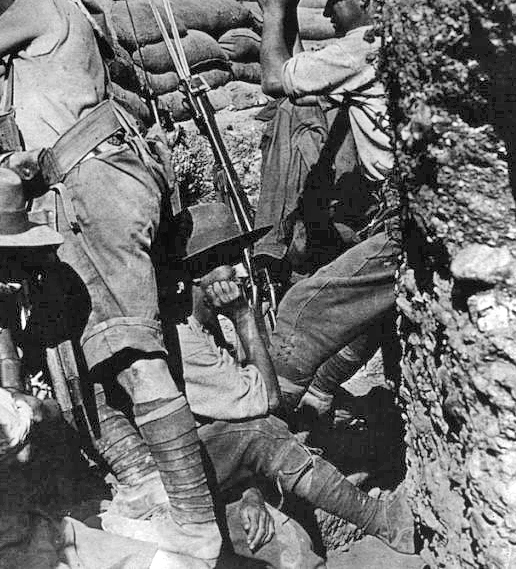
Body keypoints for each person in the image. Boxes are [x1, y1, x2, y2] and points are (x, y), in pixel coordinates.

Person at [0, 0, 221, 564]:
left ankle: (197, 523)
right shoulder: (70, 14)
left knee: (129, 348)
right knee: (77, 345)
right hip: (88, 187)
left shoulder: (38, 6)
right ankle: (143, 485)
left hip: (92, 189)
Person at [0, 165, 200, 569]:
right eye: (2, 265)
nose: (14, 282)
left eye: (19, 266)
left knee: (172, 563)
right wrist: (39, 407)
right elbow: (5, 433)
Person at [165, 203, 415, 559]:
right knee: (299, 314)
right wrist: (242, 316)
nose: (239, 270)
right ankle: (381, 520)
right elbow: (265, 405)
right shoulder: (185, 340)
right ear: (197, 275)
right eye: (228, 260)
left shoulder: (210, 327)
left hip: (218, 463)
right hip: (182, 477)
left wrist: (250, 490)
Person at [256, 0, 401, 425]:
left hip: (403, 219)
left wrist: (275, 12)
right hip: (404, 209)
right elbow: (306, 80)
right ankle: (317, 400)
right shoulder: (395, 39)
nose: (331, 14)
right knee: (365, 313)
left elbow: (277, 80)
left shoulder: (366, 45)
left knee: (302, 309)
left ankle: (273, 425)